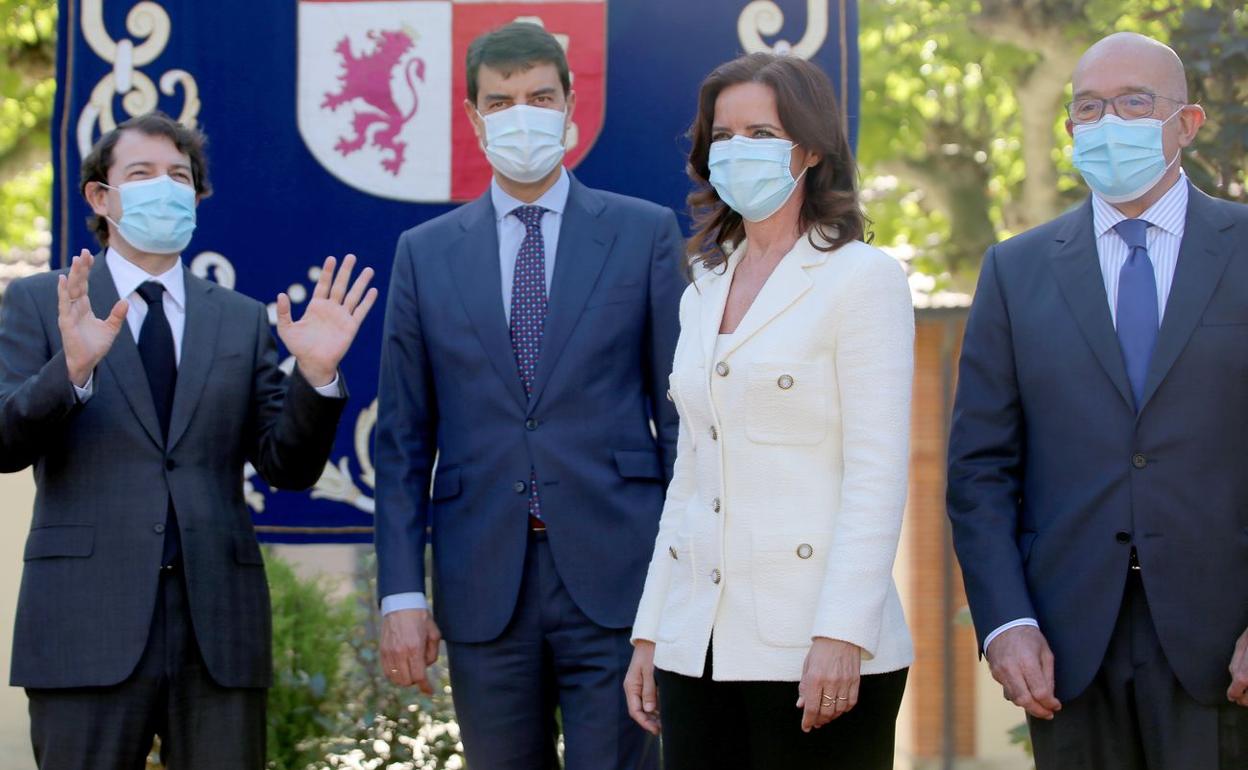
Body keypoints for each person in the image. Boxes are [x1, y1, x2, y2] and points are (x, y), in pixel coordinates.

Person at [0, 111, 376, 768]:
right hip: (82, 625)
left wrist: (315, 379)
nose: (165, 188)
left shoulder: (239, 319)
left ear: (197, 198)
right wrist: (72, 370)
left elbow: (287, 467)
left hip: (217, 631)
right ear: (100, 197)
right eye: (142, 173)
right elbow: (5, 443)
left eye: (179, 176)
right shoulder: (44, 302)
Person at [373, 21, 685, 770]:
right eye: (501, 101)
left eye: (541, 97)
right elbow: (403, 443)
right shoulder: (424, 253)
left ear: (570, 105)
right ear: (474, 116)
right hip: (483, 584)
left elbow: (683, 424)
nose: (522, 115)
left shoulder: (643, 235)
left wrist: (684, 577)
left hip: (621, 581)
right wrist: (401, 596)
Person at [947, 32, 1248, 769]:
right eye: (1089, 107)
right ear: (1070, 129)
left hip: (1225, 647)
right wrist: (1006, 623)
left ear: (1187, 123)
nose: (1109, 123)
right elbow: (980, 470)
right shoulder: (1015, 271)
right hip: (1066, 651)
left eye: (1134, 103)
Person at [624, 52, 914, 770]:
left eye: (760, 133)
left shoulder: (863, 279)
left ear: (810, 149)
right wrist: (652, 631)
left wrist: (843, 633)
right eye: (723, 136)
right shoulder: (703, 287)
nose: (737, 150)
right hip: (698, 644)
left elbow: (876, 474)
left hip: (816, 647)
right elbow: (690, 478)